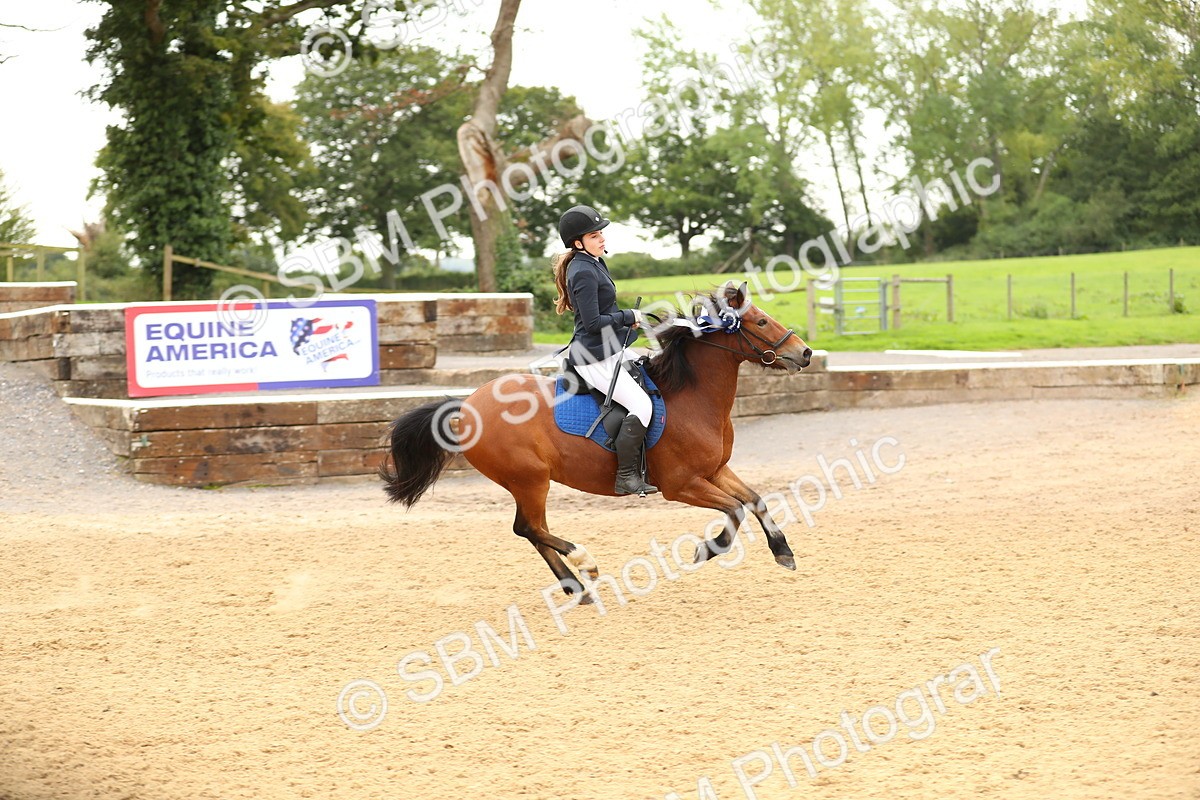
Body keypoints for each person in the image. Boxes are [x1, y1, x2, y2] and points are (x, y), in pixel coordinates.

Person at [552, 204, 658, 497]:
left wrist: (626, 327)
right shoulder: (583, 271)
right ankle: (626, 477)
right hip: (592, 355)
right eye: (595, 235)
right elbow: (593, 322)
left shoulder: (595, 261)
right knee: (641, 406)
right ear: (578, 242)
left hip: (608, 346)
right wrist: (628, 317)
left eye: (601, 234)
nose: (602, 239)